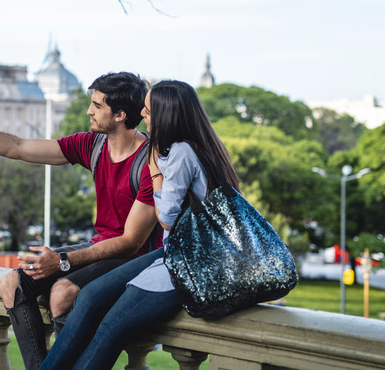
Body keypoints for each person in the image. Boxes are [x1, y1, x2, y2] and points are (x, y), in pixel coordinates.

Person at [0, 71, 160, 370]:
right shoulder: (91, 145)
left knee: (63, 293)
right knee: (12, 284)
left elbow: (131, 243)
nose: (88, 110)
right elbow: (17, 147)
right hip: (100, 246)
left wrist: (63, 261)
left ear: (119, 115)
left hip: (133, 258)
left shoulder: (150, 161)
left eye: (97, 105)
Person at [39, 80, 240, 370]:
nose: (143, 117)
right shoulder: (207, 148)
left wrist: (155, 170)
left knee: (110, 330)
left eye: (147, 112)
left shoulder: (181, 152)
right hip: (173, 255)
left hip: (185, 263)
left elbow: (168, 218)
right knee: (92, 297)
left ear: (165, 115)